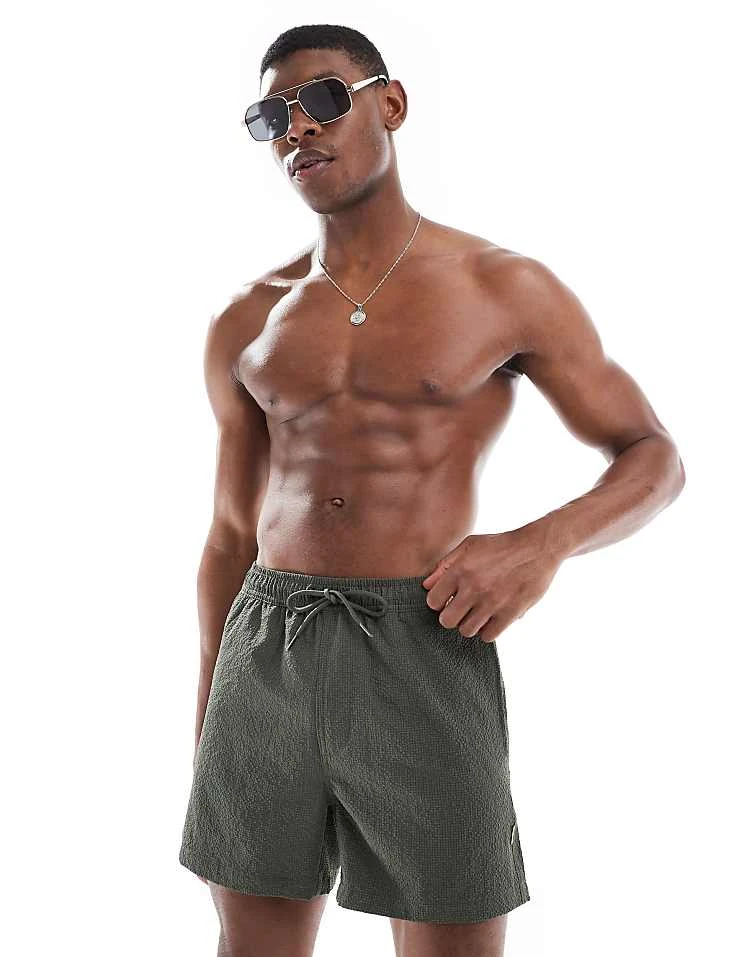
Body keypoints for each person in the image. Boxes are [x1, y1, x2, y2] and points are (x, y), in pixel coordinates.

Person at [178, 22, 686, 957]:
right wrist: (210, 712)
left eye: (322, 98)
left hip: (422, 638)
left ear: (391, 103)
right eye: (272, 117)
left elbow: (654, 456)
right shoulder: (249, 317)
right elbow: (226, 536)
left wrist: (539, 544)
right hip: (265, 650)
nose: (299, 128)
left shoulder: (503, 287)